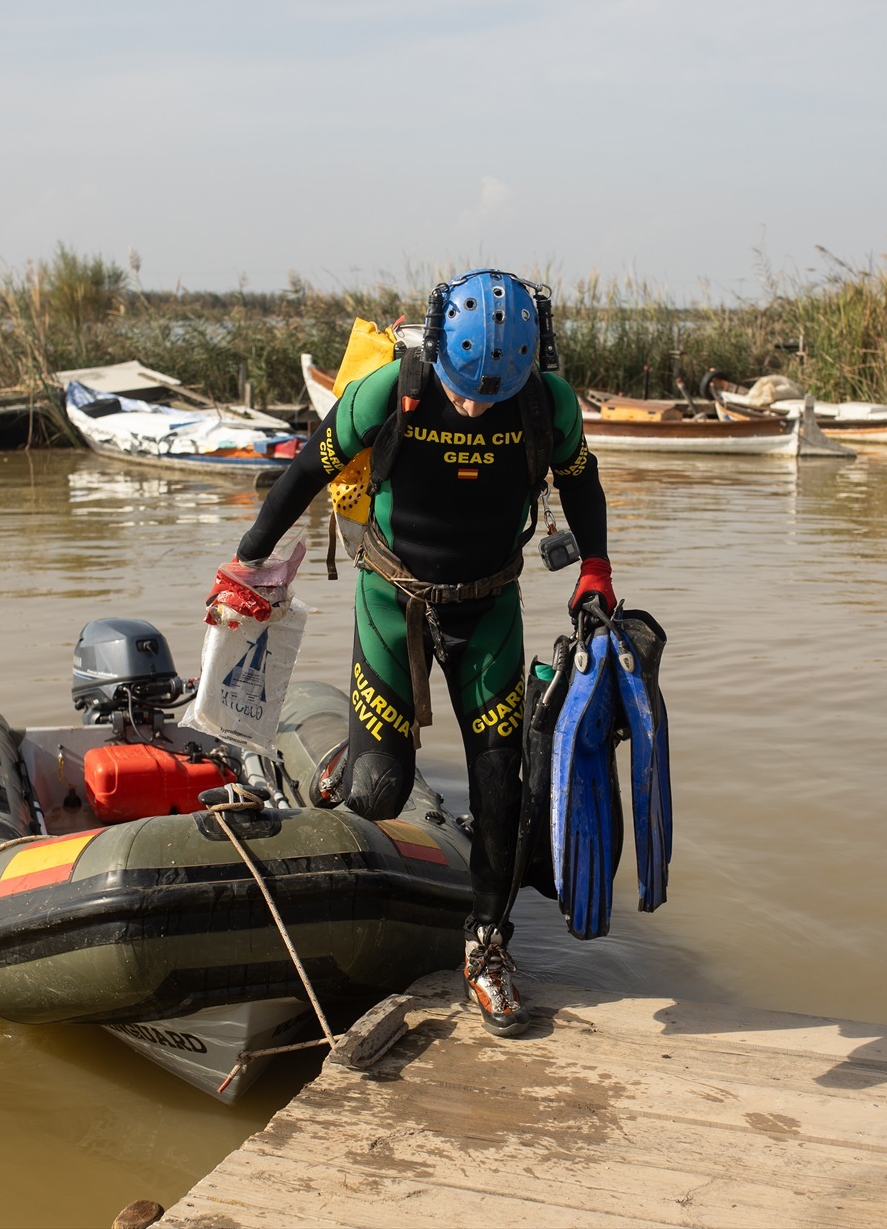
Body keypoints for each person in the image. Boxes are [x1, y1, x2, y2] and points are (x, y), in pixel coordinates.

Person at [206, 269, 613, 1035]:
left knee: (501, 788)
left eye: (491, 393)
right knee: (377, 797)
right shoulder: (392, 391)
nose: (473, 404)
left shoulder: (543, 403)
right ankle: (340, 767)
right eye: (464, 388)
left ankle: (487, 949)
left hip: (489, 611)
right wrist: (247, 561)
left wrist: (596, 568)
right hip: (392, 604)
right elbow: (305, 470)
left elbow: (581, 482)